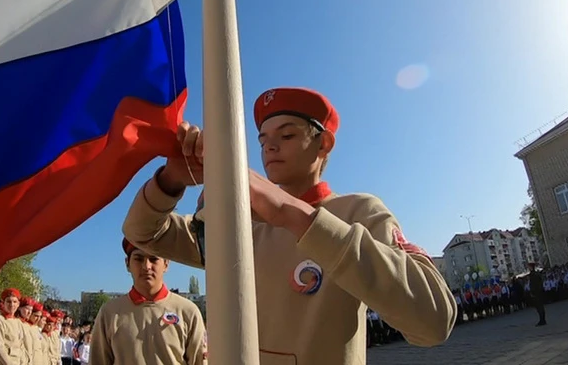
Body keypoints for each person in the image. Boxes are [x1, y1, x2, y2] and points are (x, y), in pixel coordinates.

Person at [122, 87, 456, 364]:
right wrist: (171, 179)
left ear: (323, 143)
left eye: (287, 134)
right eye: (263, 138)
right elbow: (142, 232)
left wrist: (294, 215)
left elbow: (433, 321)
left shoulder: (357, 211)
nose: (269, 146)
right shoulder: (241, 220)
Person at [90, 239, 207, 365]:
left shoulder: (187, 312)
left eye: (154, 259)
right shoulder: (109, 313)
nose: (146, 266)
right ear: (127, 264)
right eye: (139, 259)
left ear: (166, 263)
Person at [0, 289, 25, 365]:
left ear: (18, 304)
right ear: (3, 303)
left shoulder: (18, 322)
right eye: (9, 301)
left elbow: (21, 346)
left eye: (15, 302)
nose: (12, 305)